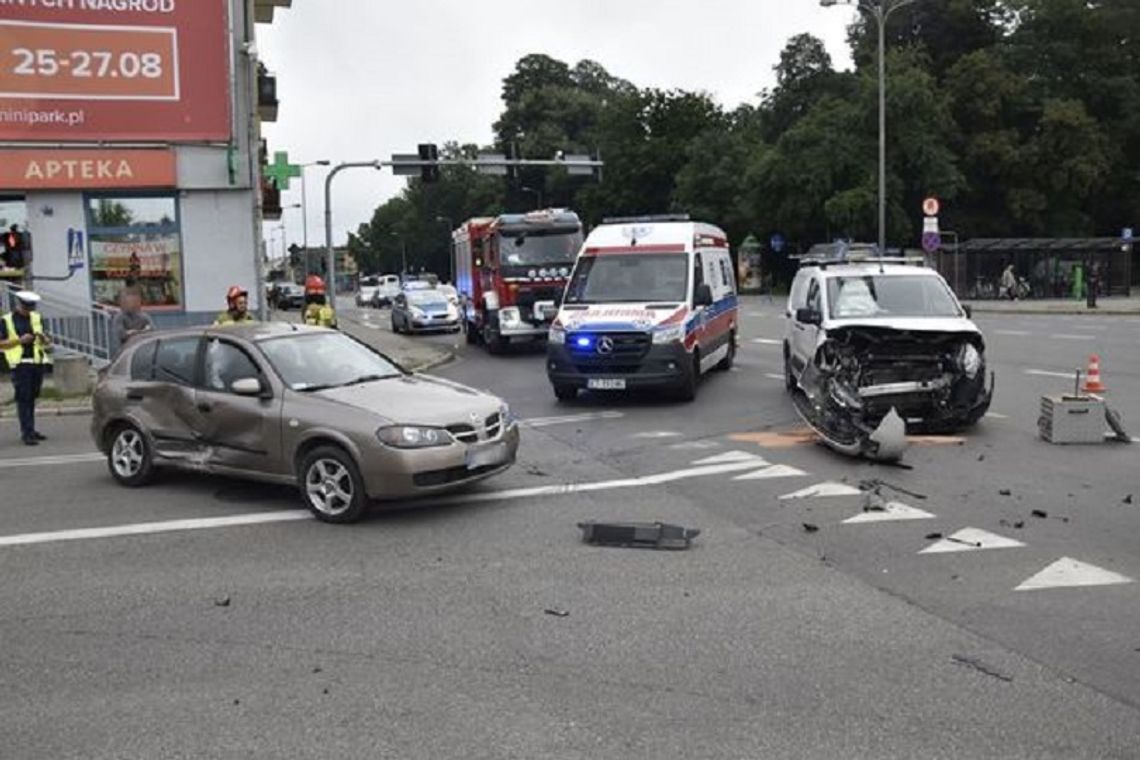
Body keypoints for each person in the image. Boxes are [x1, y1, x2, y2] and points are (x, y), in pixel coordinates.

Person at [1, 290, 53, 446]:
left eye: (31, 308)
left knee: (32, 397)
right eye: (26, 308)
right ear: (19, 305)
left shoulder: (36, 318)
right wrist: (19, 341)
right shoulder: (6, 320)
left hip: (36, 362)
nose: (29, 311)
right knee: (23, 398)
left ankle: (31, 429)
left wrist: (45, 339)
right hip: (20, 363)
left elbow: (47, 342)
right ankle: (27, 432)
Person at [110, 286, 154, 352]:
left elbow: (152, 330)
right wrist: (141, 331)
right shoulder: (119, 317)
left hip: (142, 349)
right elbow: (121, 335)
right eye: (131, 302)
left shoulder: (144, 316)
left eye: (136, 301)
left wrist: (133, 332)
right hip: (126, 350)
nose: (134, 304)